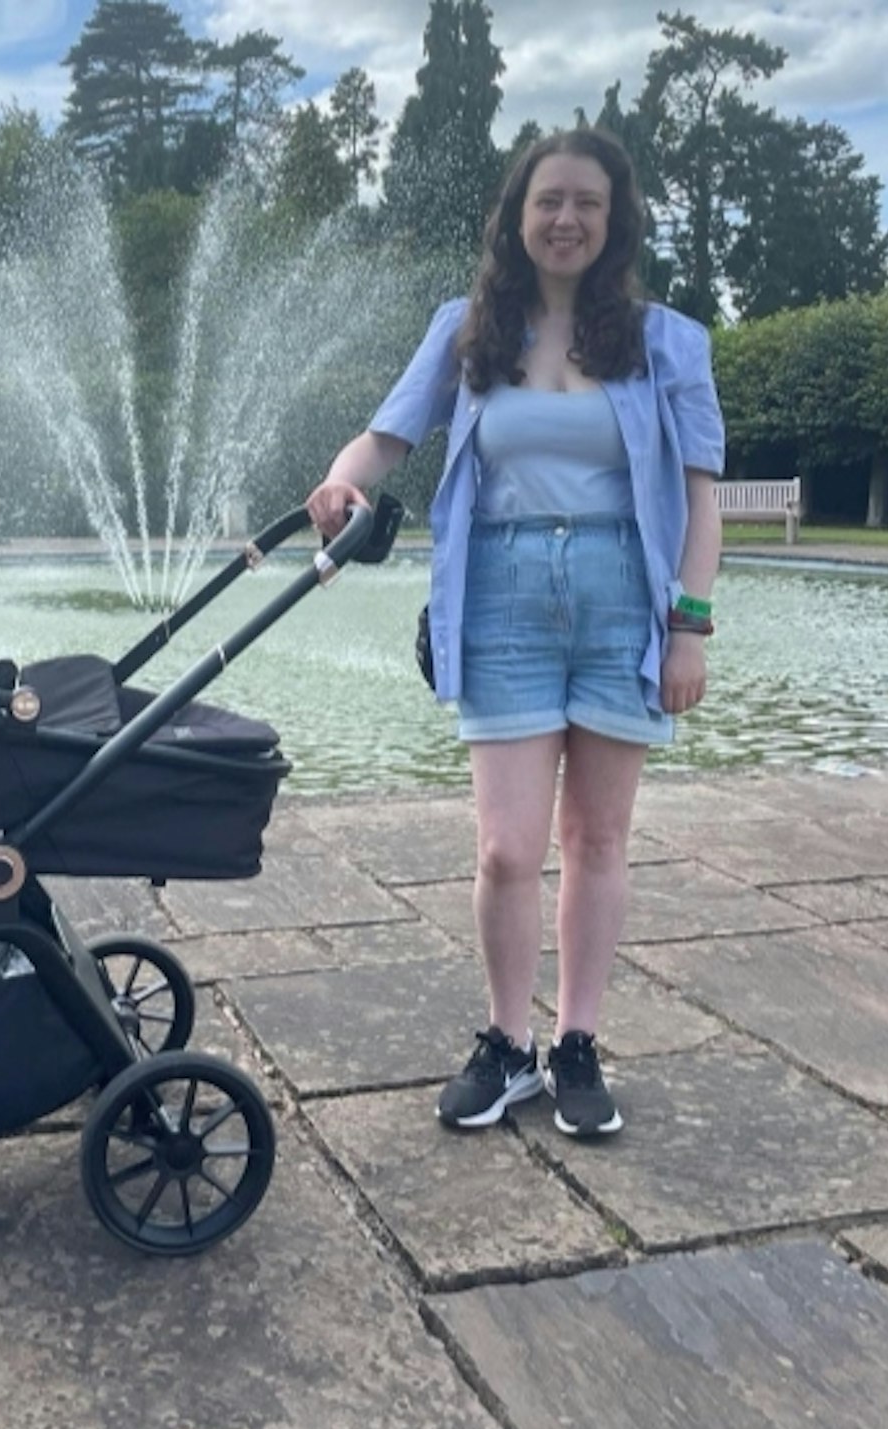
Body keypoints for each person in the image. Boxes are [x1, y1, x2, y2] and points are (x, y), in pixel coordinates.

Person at [306, 128, 724, 1139]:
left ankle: (577, 1043)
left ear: (615, 219)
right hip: (500, 595)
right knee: (504, 850)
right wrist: (345, 475)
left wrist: (690, 630)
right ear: (518, 215)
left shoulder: (669, 341)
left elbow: (703, 503)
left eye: (588, 202)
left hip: (625, 595)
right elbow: (388, 434)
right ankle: (506, 1043)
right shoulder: (468, 331)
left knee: (597, 838)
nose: (567, 219)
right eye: (549, 201)